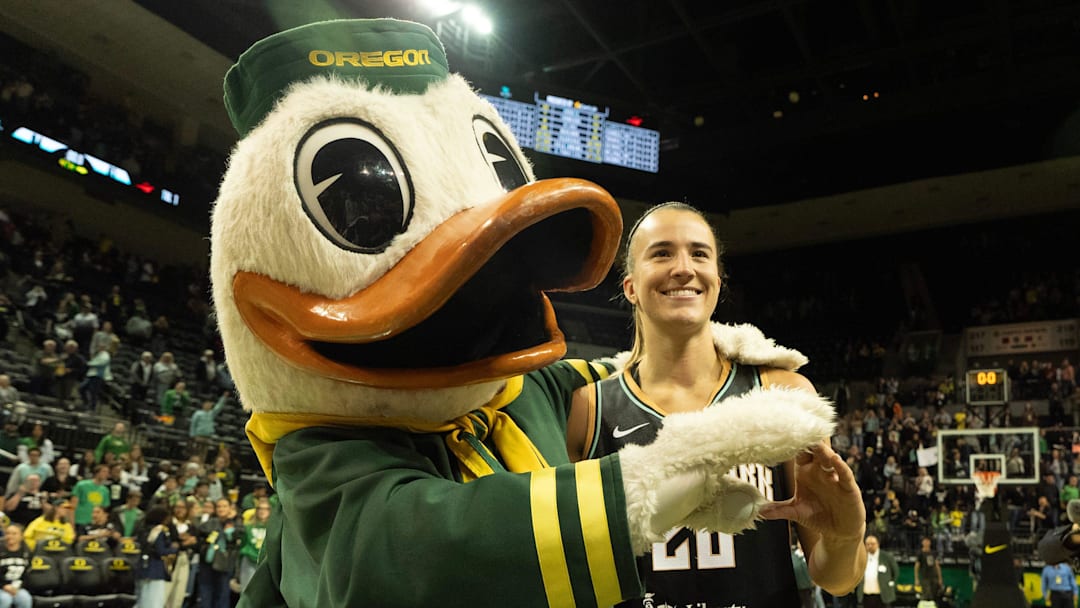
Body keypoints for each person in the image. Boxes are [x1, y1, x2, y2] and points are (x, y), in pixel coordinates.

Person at [567, 202, 866, 606]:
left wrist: (844, 537)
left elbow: (837, 580)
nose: (684, 267)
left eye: (699, 253)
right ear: (631, 286)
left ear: (717, 282)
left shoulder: (782, 395)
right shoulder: (589, 407)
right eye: (662, 253)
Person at [198, 498, 243, 608]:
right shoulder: (211, 521)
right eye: (218, 506)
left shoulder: (236, 522)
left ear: (230, 508)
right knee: (206, 593)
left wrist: (231, 520)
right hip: (207, 562)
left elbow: (239, 534)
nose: (221, 509)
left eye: (224, 506)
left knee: (222, 594)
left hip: (225, 562)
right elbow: (202, 530)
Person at [134, 505, 179, 608]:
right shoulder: (159, 531)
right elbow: (160, 551)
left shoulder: (142, 529)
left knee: (142, 599)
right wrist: (174, 549)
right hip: (155, 569)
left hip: (143, 567)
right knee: (155, 601)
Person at [163, 499, 198, 608]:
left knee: (180, 590)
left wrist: (188, 542)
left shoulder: (191, 526)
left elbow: (196, 543)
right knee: (166, 589)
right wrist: (184, 542)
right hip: (169, 560)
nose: (179, 510)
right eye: (177, 507)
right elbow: (170, 543)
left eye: (182, 507)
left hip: (185, 559)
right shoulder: (168, 524)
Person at [856, 535, 899, 608]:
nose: (870, 546)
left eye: (872, 544)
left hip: (883, 595)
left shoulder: (886, 557)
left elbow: (896, 572)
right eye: (867, 544)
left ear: (878, 544)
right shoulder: (861, 557)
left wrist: (891, 583)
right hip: (866, 595)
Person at [237, 498, 271, 591]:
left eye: (265, 508)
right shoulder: (248, 527)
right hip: (249, 561)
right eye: (260, 508)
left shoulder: (273, 528)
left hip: (266, 563)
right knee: (246, 591)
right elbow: (242, 545)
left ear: (270, 511)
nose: (262, 511)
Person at [0, 524, 32, 608]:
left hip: (17, 587)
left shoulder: (26, 552)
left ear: (21, 536)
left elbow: (27, 574)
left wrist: (18, 586)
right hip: (1, 586)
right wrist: (4, 585)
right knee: (5, 599)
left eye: (14, 534)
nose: (10, 536)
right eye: (7, 533)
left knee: (25, 598)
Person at [914, 536, 942, 603]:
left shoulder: (933, 553)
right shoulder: (920, 553)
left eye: (928, 541)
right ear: (922, 543)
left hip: (934, 577)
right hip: (925, 577)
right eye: (925, 541)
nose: (926, 543)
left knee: (934, 595)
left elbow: (937, 566)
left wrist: (940, 578)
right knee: (927, 595)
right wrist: (916, 579)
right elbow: (916, 566)